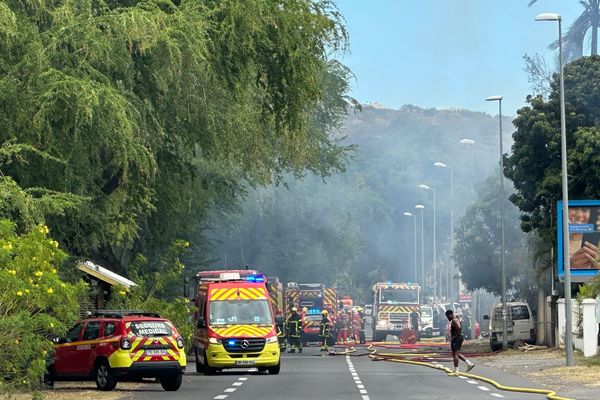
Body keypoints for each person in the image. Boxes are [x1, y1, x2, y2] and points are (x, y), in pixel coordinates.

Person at [445, 309, 474, 373]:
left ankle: (456, 370)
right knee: (456, 353)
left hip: (457, 338)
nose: (447, 318)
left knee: (455, 354)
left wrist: (456, 335)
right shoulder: (455, 319)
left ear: (450, 315)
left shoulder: (454, 320)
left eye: (447, 317)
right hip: (456, 338)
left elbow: (459, 327)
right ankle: (469, 363)